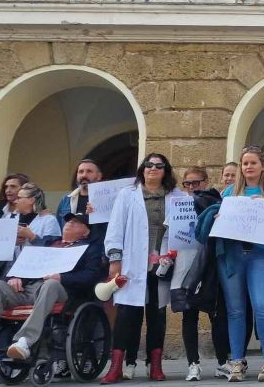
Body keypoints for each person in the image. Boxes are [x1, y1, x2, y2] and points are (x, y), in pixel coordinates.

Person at [0, 214, 106, 363]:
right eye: (68, 221)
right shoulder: (50, 242)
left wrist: (62, 278)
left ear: (86, 231)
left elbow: (91, 276)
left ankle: (24, 342)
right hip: (30, 288)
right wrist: (15, 277)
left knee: (51, 284)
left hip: (61, 291)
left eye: (75, 223)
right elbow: (27, 263)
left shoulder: (90, 249)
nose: (69, 224)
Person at [101, 153, 184, 384]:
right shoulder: (127, 195)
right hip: (132, 263)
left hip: (162, 264)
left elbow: (184, 227)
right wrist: (115, 259)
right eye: (149, 165)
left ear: (165, 171)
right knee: (127, 315)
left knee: (157, 315)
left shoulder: (177, 197)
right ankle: (116, 366)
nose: (153, 169)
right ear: (143, 169)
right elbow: (116, 227)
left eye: (159, 166)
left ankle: (155, 365)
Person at [217, 149, 264, 382]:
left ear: (262, 166)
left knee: (263, 307)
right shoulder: (229, 192)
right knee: (235, 310)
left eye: (253, 163)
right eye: (245, 163)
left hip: (260, 256)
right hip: (234, 256)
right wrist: (219, 219)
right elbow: (220, 226)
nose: (248, 167)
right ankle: (237, 361)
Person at [170, 167, 231, 382]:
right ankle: (192, 364)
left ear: (205, 182)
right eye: (187, 184)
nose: (192, 188)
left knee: (217, 316)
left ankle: (223, 362)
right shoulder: (177, 206)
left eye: (196, 183)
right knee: (189, 316)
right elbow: (169, 235)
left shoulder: (216, 202)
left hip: (211, 266)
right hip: (185, 265)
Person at [11, 183, 61, 254]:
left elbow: (53, 248)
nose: (15, 201)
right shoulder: (11, 218)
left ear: (31, 200)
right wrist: (13, 242)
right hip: (14, 264)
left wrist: (32, 237)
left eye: (19, 198)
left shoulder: (49, 220)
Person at [56, 160, 102, 228]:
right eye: (81, 172)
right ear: (77, 175)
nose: (84, 175)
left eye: (89, 171)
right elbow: (59, 229)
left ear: (99, 176)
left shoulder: (106, 200)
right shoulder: (65, 200)